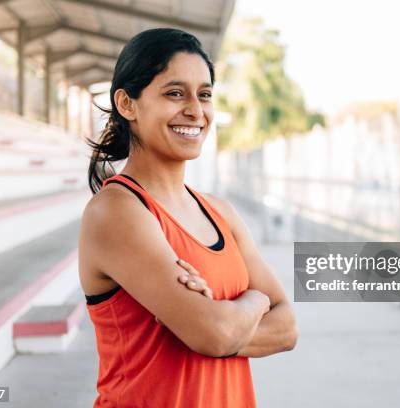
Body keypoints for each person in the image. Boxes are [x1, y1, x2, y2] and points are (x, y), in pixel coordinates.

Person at [78, 28, 298, 408]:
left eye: (205, 94)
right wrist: (256, 302)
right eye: (174, 93)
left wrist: (222, 319)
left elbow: (287, 329)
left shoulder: (220, 211)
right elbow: (213, 334)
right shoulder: (117, 212)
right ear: (128, 104)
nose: (196, 111)